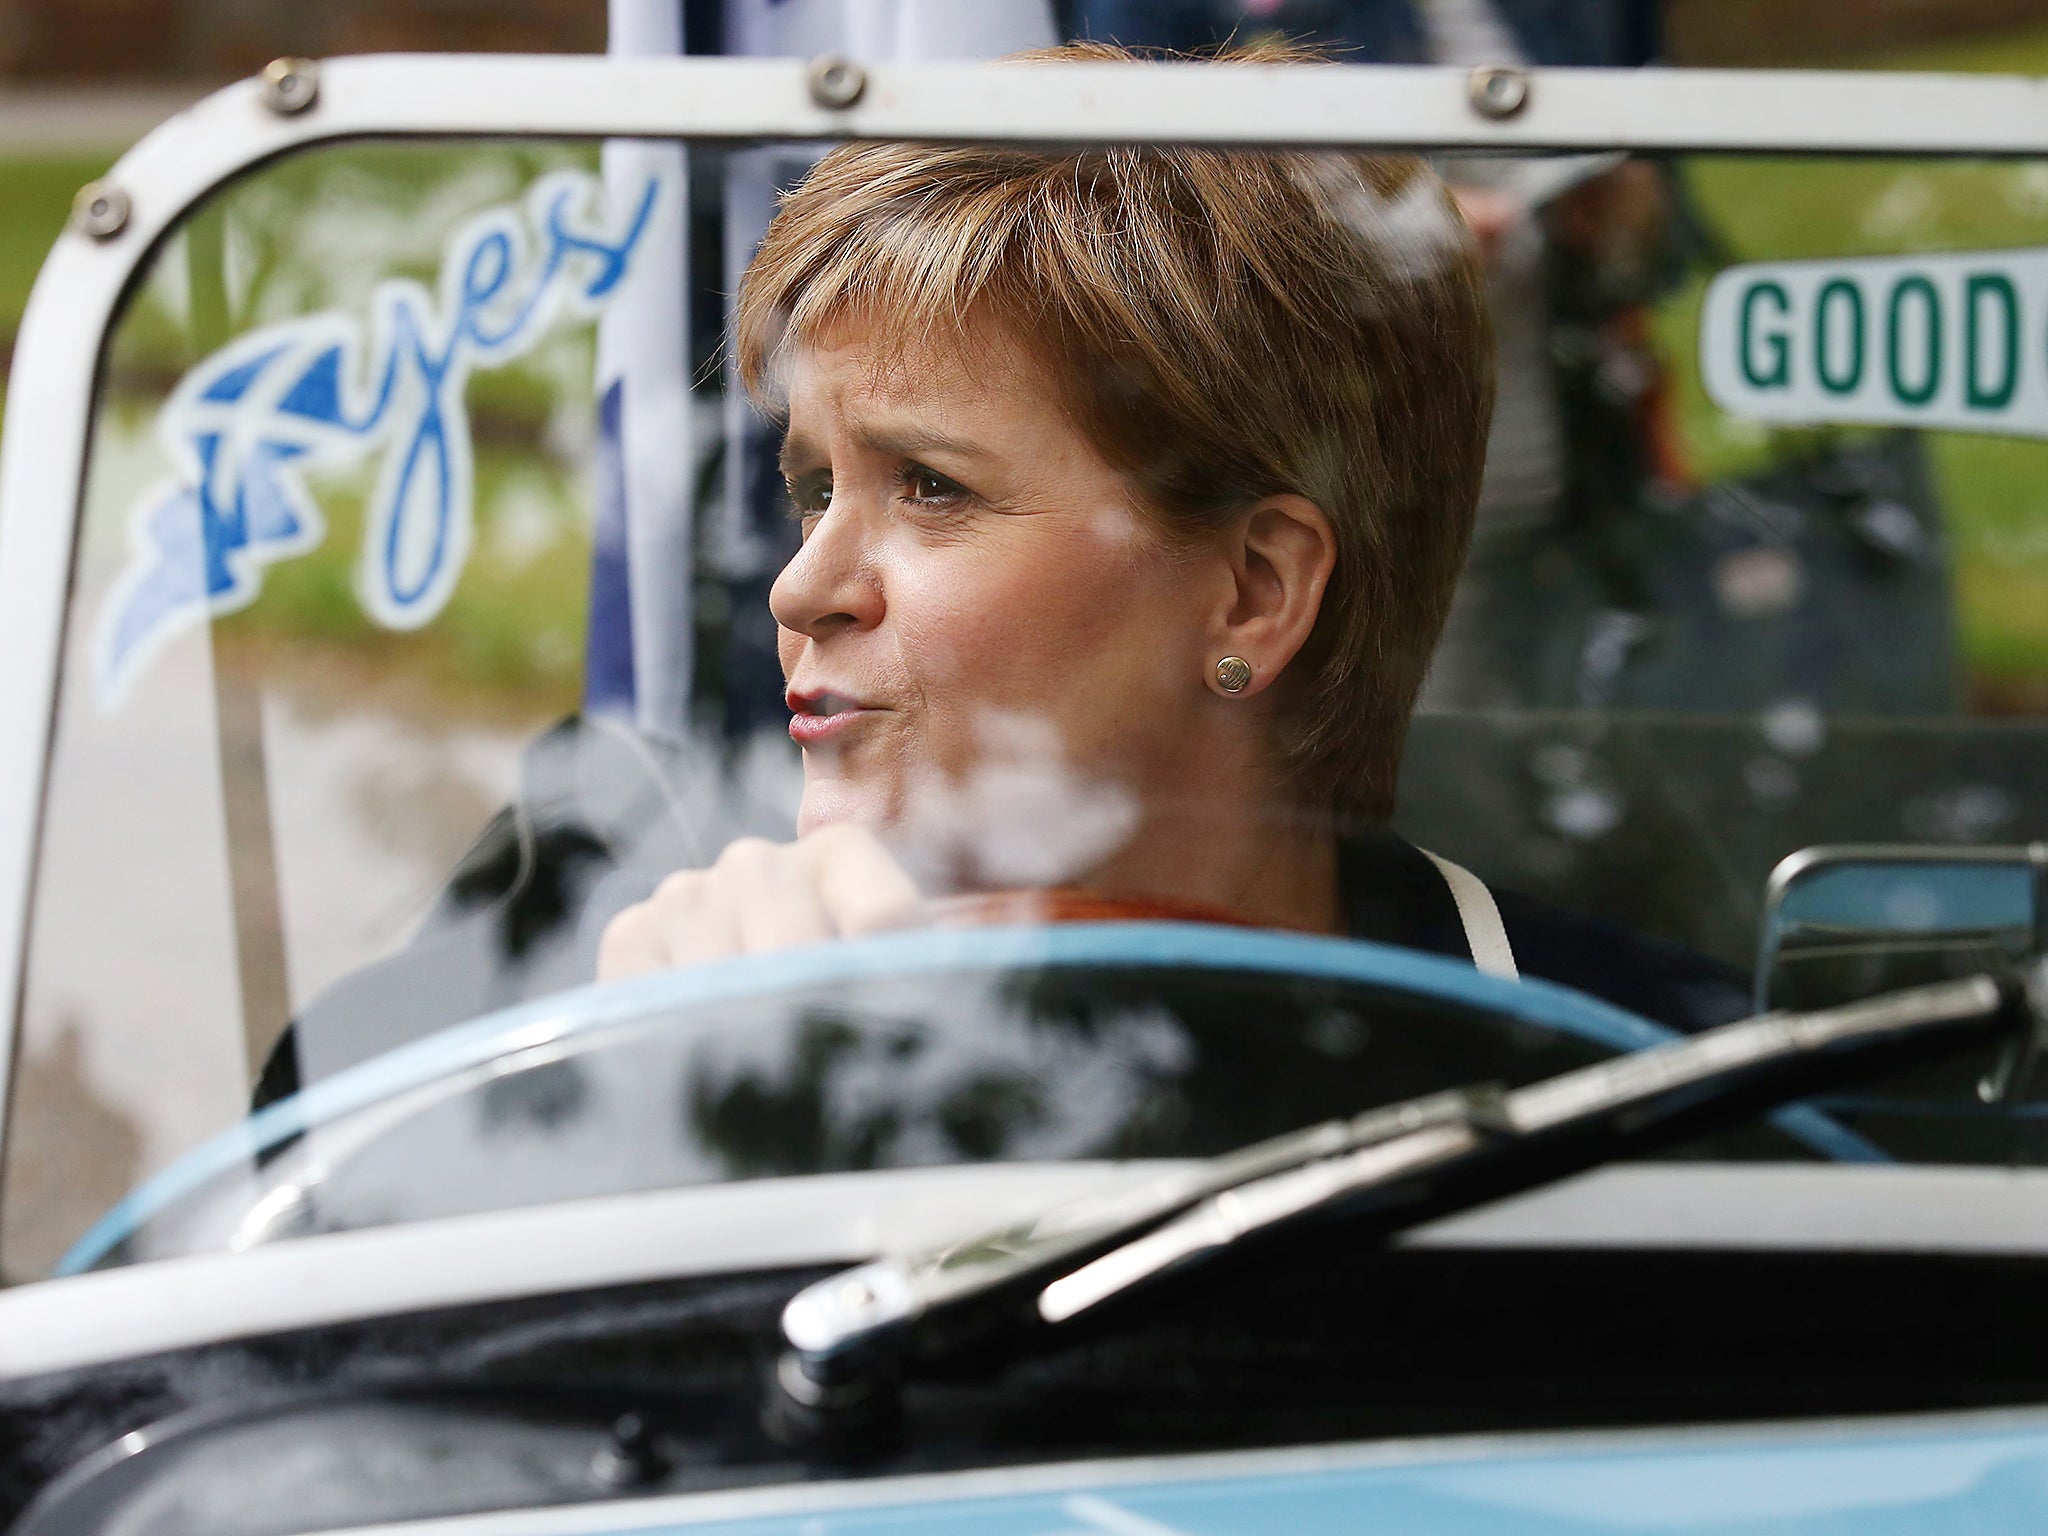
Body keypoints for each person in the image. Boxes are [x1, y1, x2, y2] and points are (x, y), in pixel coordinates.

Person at [597, 39, 1746, 1031]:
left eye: (931, 488)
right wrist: (653, 1075)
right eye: (813, 487)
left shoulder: (1646, 1092)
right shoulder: (681, 1020)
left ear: (1252, 591)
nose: (800, 589)